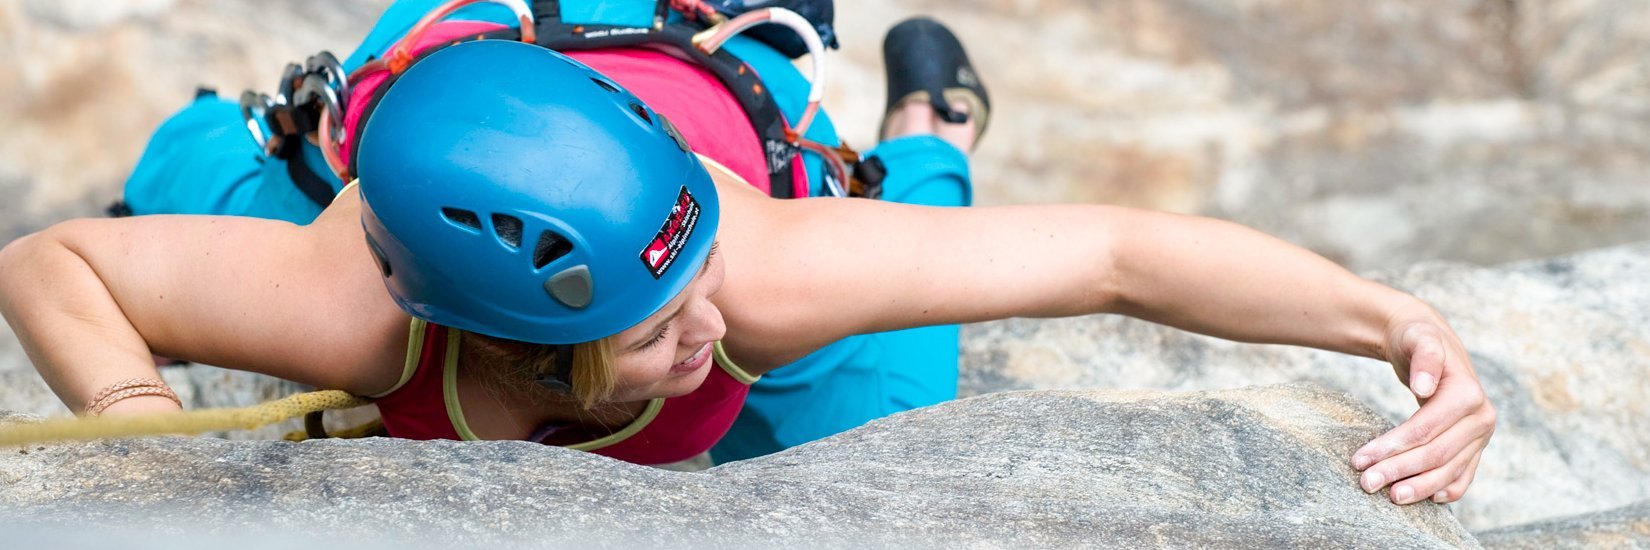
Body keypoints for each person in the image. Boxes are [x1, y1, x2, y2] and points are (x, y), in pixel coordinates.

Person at [0, 1, 1494, 507]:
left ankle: (928, 123)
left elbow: (1110, 253)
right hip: (468, 126)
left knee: (894, 431)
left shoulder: (753, 266)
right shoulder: (351, 311)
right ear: (510, 337)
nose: (703, 316)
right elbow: (51, 266)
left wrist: (1389, 321)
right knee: (184, 182)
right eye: (655, 325)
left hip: (693, 100)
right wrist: (146, 441)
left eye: (690, 271)